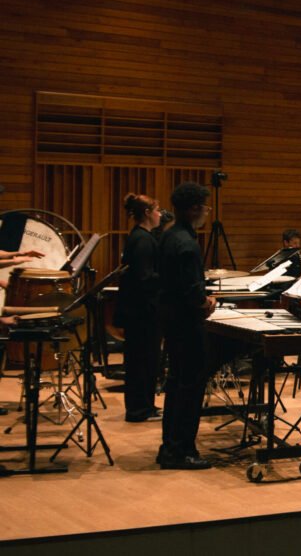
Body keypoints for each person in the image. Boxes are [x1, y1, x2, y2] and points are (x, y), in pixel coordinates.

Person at [156, 182, 216, 470]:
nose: (207, 211)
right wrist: (209, 302)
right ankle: (182, 451)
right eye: (205, 206)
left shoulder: (169, 236)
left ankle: (169, 447)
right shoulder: (188, 244)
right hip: (187, 325)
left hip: (171, 323)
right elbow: (194, 294)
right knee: (191, 388)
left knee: (177, 385)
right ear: (194, 208)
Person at [116, 193, 164, 423]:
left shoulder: (139, 236)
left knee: (144, 361)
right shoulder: (143, 239)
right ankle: (139, 410)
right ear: (147, 213)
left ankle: (145, 406)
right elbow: (145, 278)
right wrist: (168, 276)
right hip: (142, 312)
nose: (160, 214)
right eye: (157, 210)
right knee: (143, 361)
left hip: (139, 311)